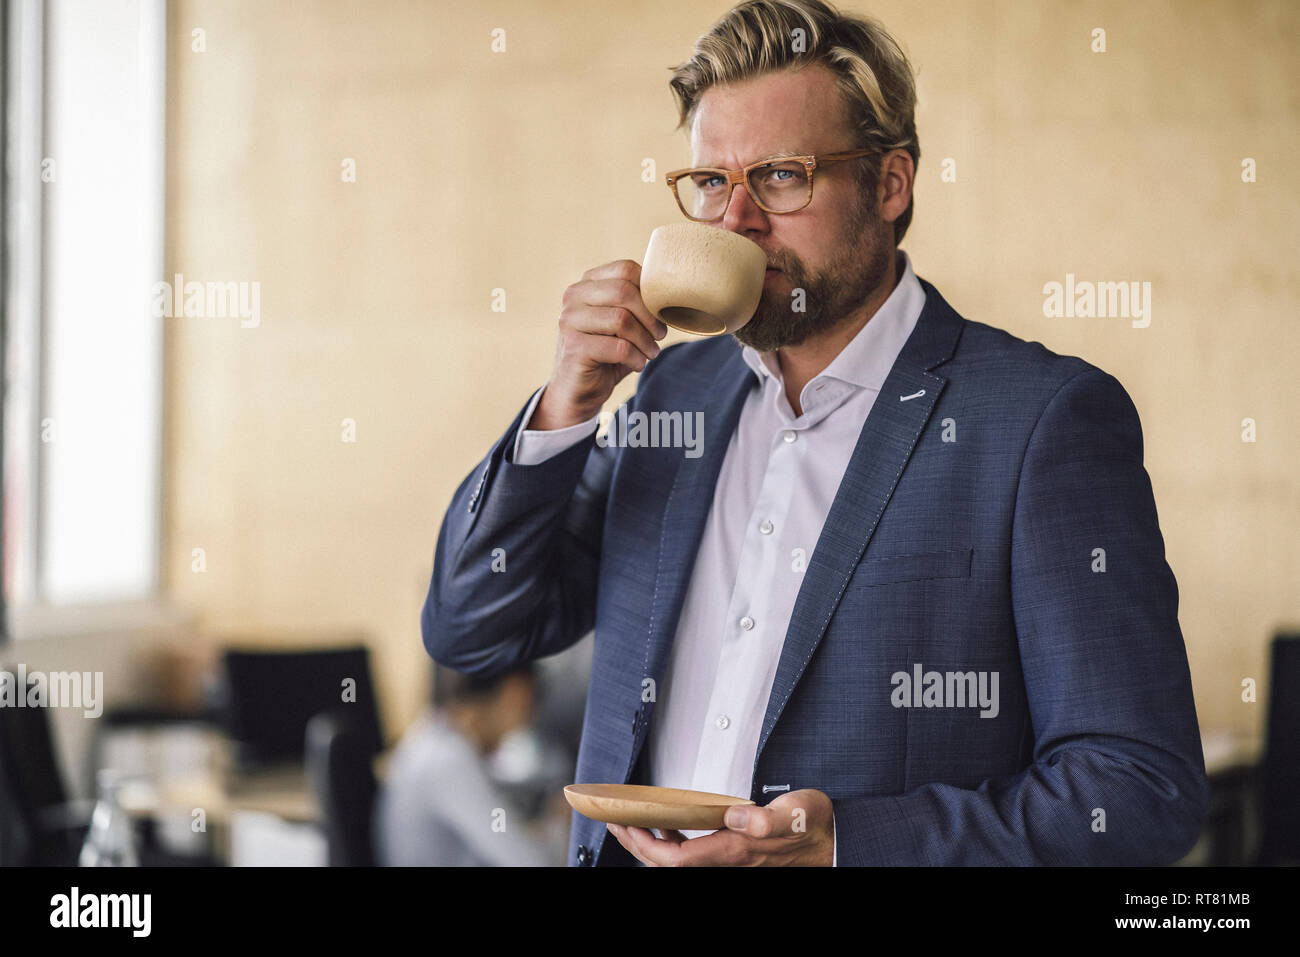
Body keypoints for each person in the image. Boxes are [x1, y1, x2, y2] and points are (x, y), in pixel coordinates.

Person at [421, 0, 1208, 866]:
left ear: (891, 183)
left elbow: (1137, 788)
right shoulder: (668, 393)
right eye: (713, 182)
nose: (736, 220)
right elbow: (473, 631)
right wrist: (566, 403)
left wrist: (848, 848)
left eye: (783, 175)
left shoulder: (1041, 421)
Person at [373, 663, 557, 866]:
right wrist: (560, 824)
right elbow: (531, 863)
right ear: (514, 693)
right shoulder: (446, 760)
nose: (524, 724)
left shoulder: (429, 739)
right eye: (525, 708)